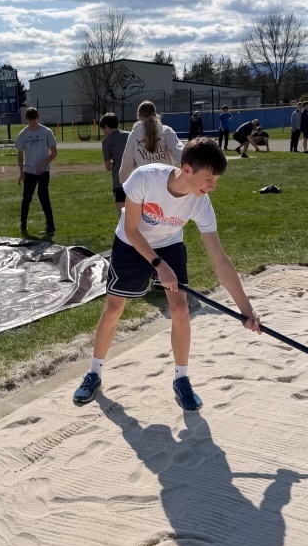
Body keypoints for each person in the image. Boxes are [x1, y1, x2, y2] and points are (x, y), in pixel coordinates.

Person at [72, 136, 262, 409]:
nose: (212, 186)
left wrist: (247, 310)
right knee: (114, 309)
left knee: (181, 310)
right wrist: (159, 265)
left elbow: (220, 260)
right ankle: (94, 373)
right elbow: (131, 230)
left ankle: (181, 379)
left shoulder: (200, 203)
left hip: (170, 244)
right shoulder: (145, 178)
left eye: (216, 179)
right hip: (131, 243)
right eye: (208, 178)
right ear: (187, 170)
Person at [118, 100, 184, 184]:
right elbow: (180, 153)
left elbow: (127, 163)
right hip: (167, 181)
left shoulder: (133, 136)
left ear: (138, 115)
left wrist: (123, 180)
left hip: (146, 184)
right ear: (155, 113)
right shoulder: (167, 131)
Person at [15, 106, 58, 235]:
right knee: (26, 198)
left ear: (38, 118)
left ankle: (50, 226)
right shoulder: (23, 134)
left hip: (44, 172)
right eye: (30, 120)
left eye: (35, 119)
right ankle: (23, 224)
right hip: (29, 171)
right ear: (27, 120)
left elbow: (54, 152)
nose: (33, 123)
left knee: (43, 196)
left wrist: (43, 164)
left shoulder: (46, 132)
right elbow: (19, 154)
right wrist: (21, 172)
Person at [100, 112, 130, 215]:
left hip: (119, 180)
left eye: (103, 129)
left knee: (122, 215)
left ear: (107, 127)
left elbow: (108, 166)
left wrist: (115, 163)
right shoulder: (129, 135)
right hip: (135, 177)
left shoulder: (106, 141)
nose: (104, 132)